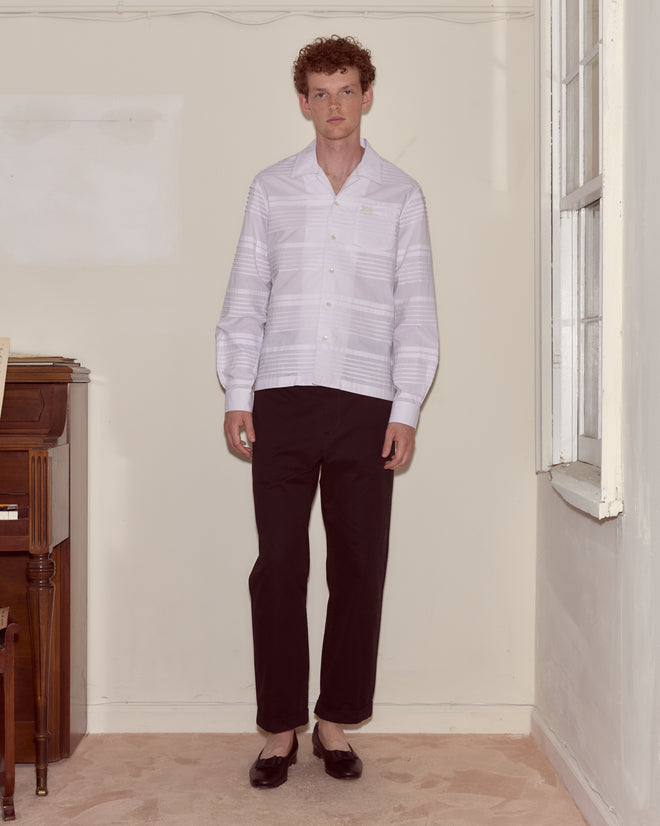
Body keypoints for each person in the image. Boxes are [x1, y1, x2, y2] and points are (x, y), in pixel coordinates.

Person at [216, 34, 438, 788]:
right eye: (320, 92)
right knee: (278, 567)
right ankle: (279, 728)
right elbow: (246, 298)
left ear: (367, 96)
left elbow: (417, 311)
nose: (334, 105)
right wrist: (238, 393)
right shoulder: (271, 188)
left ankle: (333, 722)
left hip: (367, 403)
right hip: (280, 396)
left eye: (347, 90)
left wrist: (405, 406)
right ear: (303, 101)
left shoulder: (402, 194)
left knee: (358, 566)